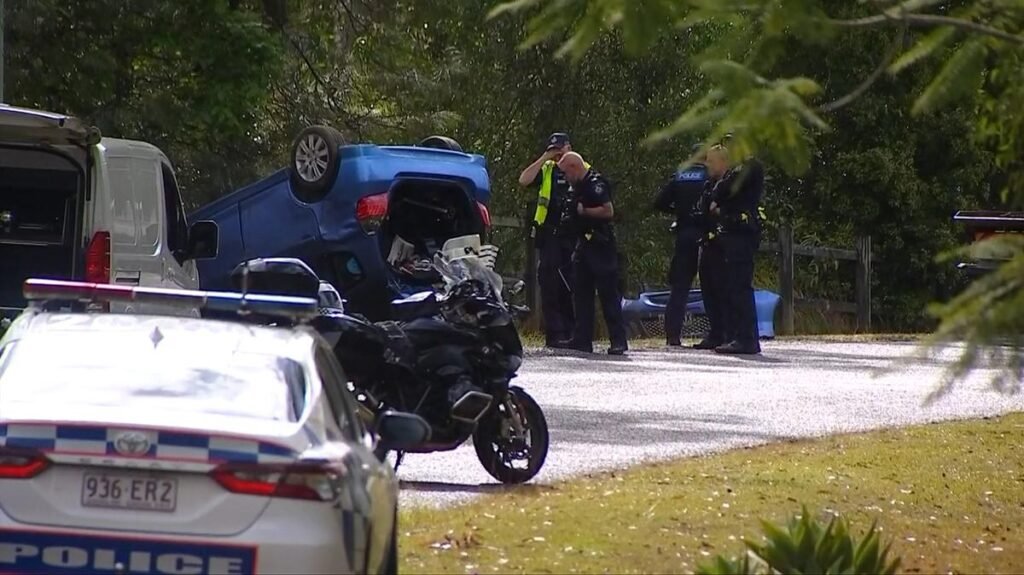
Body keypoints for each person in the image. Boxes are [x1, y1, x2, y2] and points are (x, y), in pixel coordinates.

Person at [552, 152, 628, 355]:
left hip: (600, 245)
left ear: (574, 167)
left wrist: (584, 212)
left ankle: (618, 341)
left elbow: (608, 211)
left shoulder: (596, 183)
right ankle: (582, 339)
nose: (565, 178)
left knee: (607, 294)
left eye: (566, 173)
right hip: (583, 245)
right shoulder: (576, 187)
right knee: (581, 294)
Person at [517, 133, 584, 347]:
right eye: (553, 150)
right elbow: (524, 180)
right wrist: (544, 158)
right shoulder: (546, 169)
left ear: (569, 148)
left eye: (560, 150)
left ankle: (574, 331)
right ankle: (555, 333)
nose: (557, 155)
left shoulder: (580, 168)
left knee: (571, 283)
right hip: (550, 234)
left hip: (573, 235)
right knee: (549, 283)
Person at [708, 146, 765, 355]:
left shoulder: (749, 167)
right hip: (732, 233)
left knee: (740, 286)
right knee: (733, 286)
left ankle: (747, 339)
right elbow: (716, 192)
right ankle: (738, 336)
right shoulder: (737, 169)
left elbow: (723, 189)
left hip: (742, 234)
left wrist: (721, 197)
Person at [654, 144, 708, 346]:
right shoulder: (710, 175)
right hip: (707, 233)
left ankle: (673, 335)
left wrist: (678, 211)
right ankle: (719, 332)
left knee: (680, 287)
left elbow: (659, 202)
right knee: (713, 285)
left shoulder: (680, 175)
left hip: (685, 233)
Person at [692, 145, 731, 350]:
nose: (707, 164)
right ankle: (715, 332)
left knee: (722, 289)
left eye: (711, 161)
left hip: (722, 243)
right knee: (708, 289)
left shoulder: (729, 184)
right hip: (706, 241)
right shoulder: (709, 185)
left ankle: (727, 332)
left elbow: (722, 210)